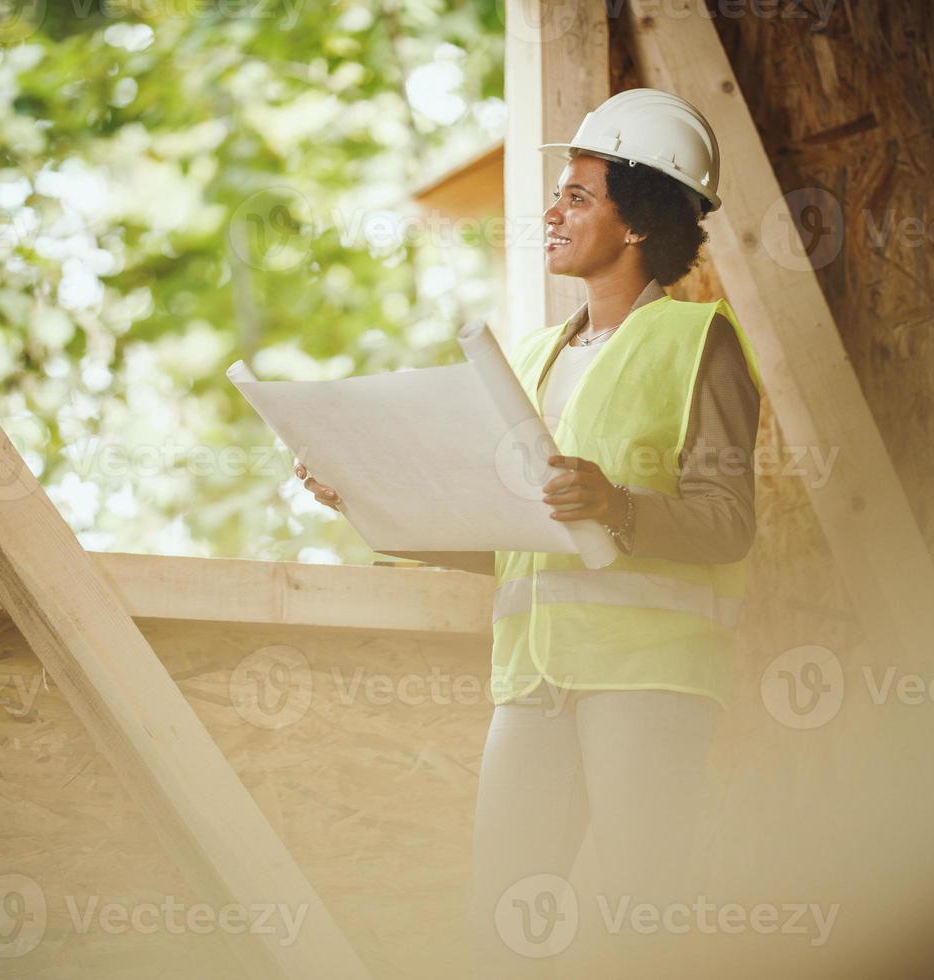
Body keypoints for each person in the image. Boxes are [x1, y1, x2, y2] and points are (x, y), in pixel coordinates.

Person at [295, 88, 762, 976]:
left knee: (638, 917)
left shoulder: (701, 342)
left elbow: (727, 521)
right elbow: (504, 532)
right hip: (532, 679)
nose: (552, 211)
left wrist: (617, 503)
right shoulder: (533, 358)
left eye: (578, 195)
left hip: (646, 678)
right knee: (504, 921)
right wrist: (368, 499)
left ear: (639, 222)